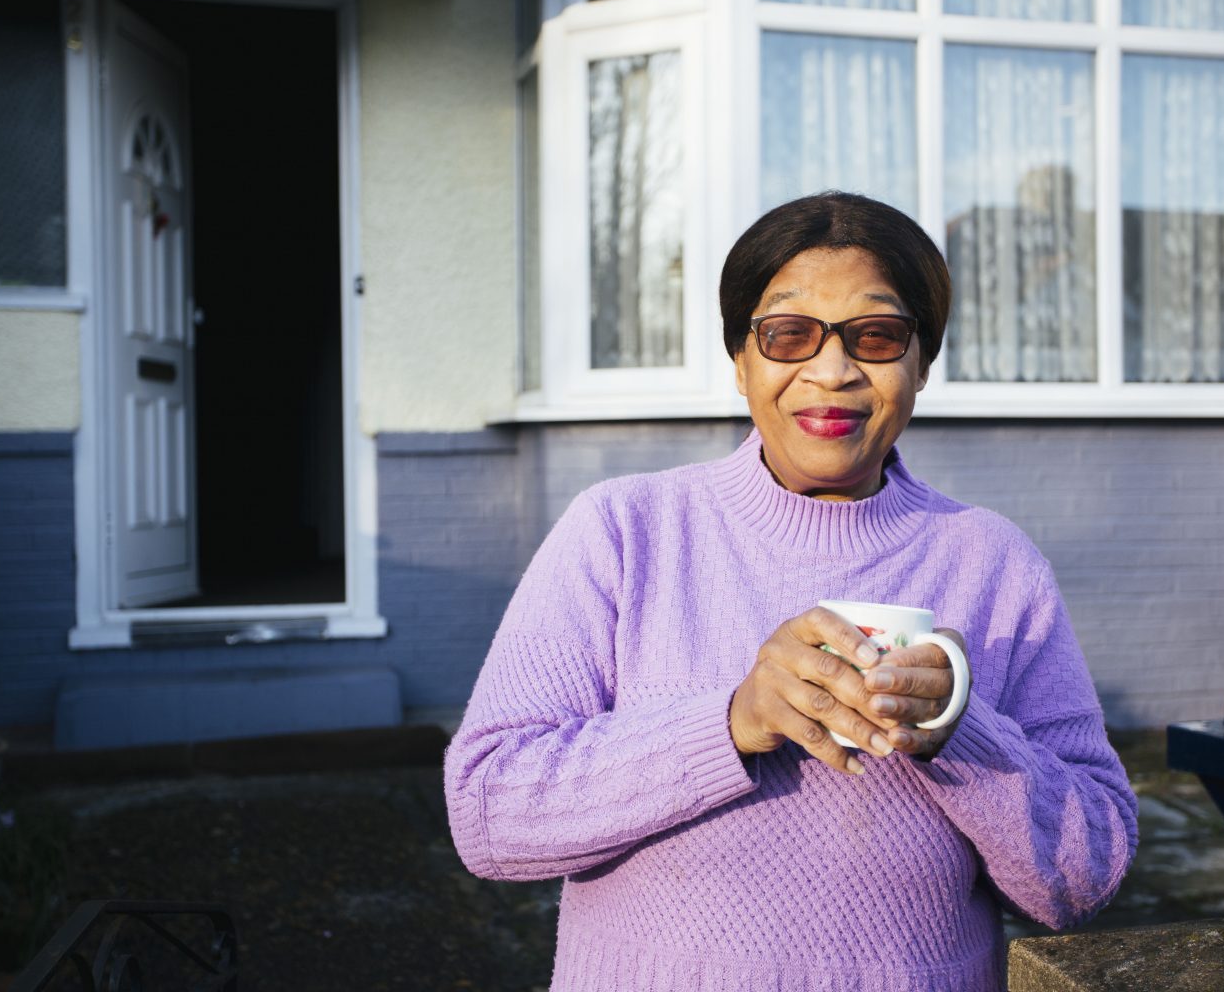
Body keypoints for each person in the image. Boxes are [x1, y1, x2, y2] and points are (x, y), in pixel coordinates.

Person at [444, 192, 1137, 991]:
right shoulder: (626, 532)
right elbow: (489, 814)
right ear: (742, 361)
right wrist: (731, 720)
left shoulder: (991, 563)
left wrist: (961, 729)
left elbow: (1086, 877)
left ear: (922, 362)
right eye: (789, 334)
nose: (833, 370)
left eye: (877, 336)